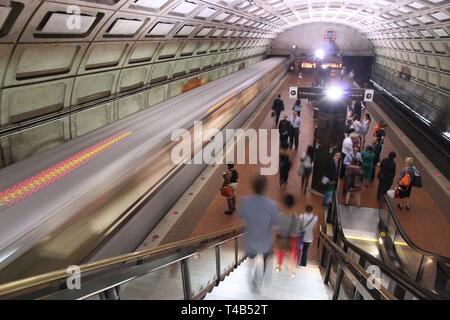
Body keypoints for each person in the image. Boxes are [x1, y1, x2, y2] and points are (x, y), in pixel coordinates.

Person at [239, 175, 278, 290]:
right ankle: (260, 278)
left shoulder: (245, 201)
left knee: (251, 259)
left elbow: (242, 215)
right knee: (267, 257)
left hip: (250, 240)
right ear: (265, 187)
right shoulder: (272, 204)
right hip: (265, 240)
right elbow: (275, 223)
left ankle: (251, 276)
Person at [275, 194, 299, 278]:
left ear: (284, 204)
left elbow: (277, 229)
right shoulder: (295, 217)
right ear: (293, 204)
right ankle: (292, 270)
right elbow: (296, 231)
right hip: (292, 238)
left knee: (281, 251)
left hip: (282, 237)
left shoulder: (280, 216)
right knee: (293, 253)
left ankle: (279, 266)